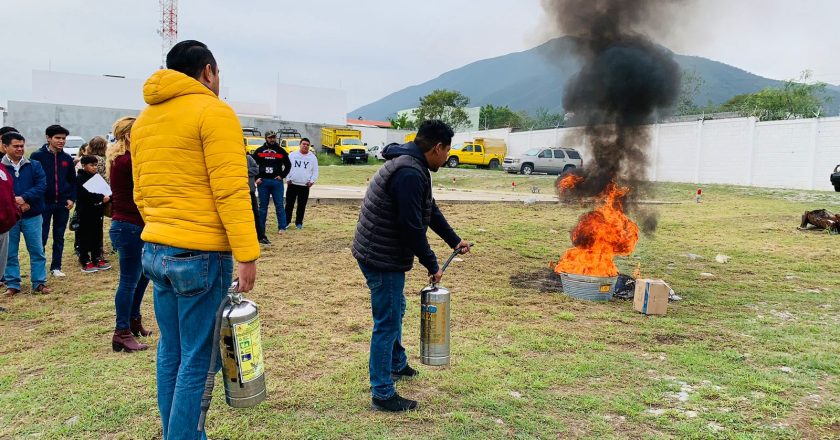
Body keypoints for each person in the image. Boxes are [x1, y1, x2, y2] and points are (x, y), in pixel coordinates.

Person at [132, 40, 259, 439]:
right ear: (208, 71)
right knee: (199, 362)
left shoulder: (144, 120)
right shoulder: (213, 111)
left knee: (171, 351)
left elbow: (141, 192)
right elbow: (231, 190)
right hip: (200, 255)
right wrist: (247, 254)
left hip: (156, 250)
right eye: (218, 74)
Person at [352, 120, 470, 412]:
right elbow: (411, 226)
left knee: (396, 310)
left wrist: (453, 240)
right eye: (447, 151)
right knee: (387, 321)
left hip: (380, 250)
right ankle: (382, 393)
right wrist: (432, 264)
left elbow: (428, 209)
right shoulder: (408, 172)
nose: (447, 157)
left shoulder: (413, 165)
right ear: (437, 148)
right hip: (381, 256)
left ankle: (396, 363)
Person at [107, 116, 150, 352]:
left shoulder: (123, 158)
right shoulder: (127, 161)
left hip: (133, 225)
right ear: (129, 135)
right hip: (129, 225)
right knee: (129, 281)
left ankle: (133, 320)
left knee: (142, 276)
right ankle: (121, 331)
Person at [1, 131, 49, 296]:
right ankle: (13, 283)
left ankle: (39, 282)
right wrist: (14, 202)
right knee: (10, 252)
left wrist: (25, 198)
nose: (20, 149)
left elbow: (42, 185)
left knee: (37, 250)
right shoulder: (1, 168)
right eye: (16, 146)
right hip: (10, 217)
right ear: (5, 147)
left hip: (33, 215)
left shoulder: (34, 165)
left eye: (22, 146)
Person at [30, 124, 76, 278]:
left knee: (59, 236)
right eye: (57, 138)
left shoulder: (67, 158)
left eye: (63, 138)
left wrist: (71, 198)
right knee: (41, 236)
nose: (61, 141)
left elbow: (72, 180)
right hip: (43, 203)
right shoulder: (37, 156)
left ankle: (56, 266)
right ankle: (39, 268)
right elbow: (33, 179)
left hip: (62, 203)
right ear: (48, 138)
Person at [75, 156, 110, 273]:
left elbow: (105, 190)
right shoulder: (79, 178)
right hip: (85, 212)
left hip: (97, 211)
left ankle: (97, 257)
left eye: (96, 165)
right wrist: (101, 197)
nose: (94, 167)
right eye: (92, 165)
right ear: (84, 165)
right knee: (84, 236)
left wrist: (107, 197)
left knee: (97, 235)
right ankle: (85, 259)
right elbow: (85, 195)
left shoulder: (97, 177)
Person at [252, 131, 291, 238]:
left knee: (279, 205)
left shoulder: (281, 151)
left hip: (276, 182)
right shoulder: (259, 151)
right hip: (263, 182)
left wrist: (282, 176)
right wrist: (256, 178)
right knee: (262, 207)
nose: (272, 139)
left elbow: (288, 165)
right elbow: (252, 165)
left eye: (273, 137)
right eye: (270, 137)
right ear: (266, 138)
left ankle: (282, 227)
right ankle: (261, 229)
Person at [284, 138, 318, 230]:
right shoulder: (292, 155)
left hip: (304, 185)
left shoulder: (312, 157)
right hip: (292, 184)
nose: (305, 146)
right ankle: (286, 222)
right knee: (289, 204)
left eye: (307, 144)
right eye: (304, 144)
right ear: (300, 145)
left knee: (301, 205)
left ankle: (299, 223)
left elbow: (315, 171)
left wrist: (311, 181)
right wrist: (288, 178)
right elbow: (287, 167)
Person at [246, 149, 268, 245]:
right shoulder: (231, 159)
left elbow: (256, 170)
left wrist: (243, 171)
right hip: (235, 193)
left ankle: (260, 236)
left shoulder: (249, 158)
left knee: (255, 214)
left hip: (250, 191)